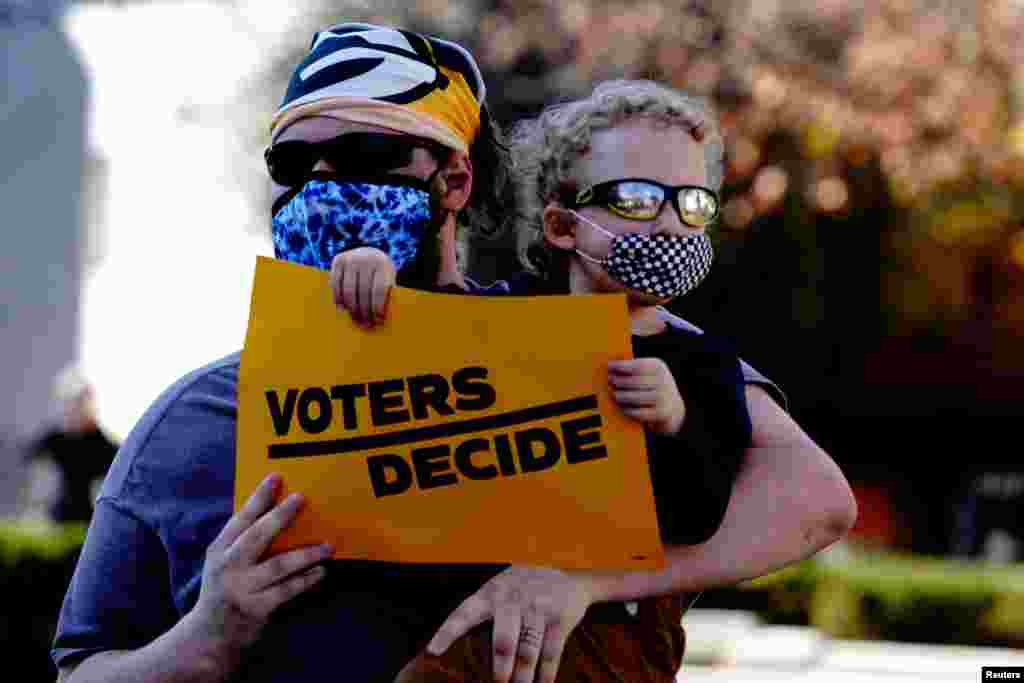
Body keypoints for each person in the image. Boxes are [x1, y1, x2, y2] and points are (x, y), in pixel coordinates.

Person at [54, 24, 856, 683]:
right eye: (296, 165)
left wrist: (585, 580)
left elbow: (814, 498)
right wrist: (201, 641)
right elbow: (81, 670)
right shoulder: (191, 421)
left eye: (369, 156)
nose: (327, 183)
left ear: (456, 181)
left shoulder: (580, 346)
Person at [394, 78, 754, 683]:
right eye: (637, 199)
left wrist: (676, 423)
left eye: (692, 202)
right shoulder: (501, 323)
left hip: (614, 637)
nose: (669, 223)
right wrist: (370, 274)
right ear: (562, 226)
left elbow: (699, 519)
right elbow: (404, 367)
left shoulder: (704, 364)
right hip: (471, 620)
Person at [25, 366, 118, 523]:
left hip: (88, 521)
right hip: (55, 519)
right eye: (72, 402)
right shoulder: (53, 440)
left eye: (82, 401)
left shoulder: (103, 444)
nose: (76, 408)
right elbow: (32, 470)